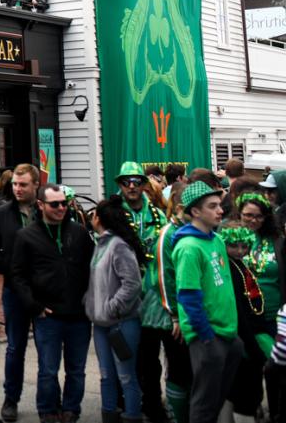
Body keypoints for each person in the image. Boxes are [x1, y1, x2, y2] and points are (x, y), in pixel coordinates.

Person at [11, 184, 94, 423]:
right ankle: (47, 410)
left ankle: (71, 410)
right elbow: (18, 275)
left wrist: (90, 300)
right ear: (40, 205)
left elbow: (92, 267)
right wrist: (33, 305)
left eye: (63, 203)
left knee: (76, 370)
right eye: (54, 204)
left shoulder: (78, 232)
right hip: (48, 315)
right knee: (48, 369)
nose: (61, 208)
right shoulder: (26, 236)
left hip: (78, 314)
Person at [172, 181, 242, 423]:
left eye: (219, 205)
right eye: (212, 206)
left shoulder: (216, 240)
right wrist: (206, 337)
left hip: (227, 333)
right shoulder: (189, 247)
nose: (220, 211)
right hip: (208, 336)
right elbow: (188, 297)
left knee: (216, 400)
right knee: (204, 404)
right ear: (195, 212)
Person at [113, 161, 174, 423]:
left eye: (137, 181)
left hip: (153, 297)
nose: (131, 186)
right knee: (125, 352)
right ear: (120, 185)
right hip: (123, 295)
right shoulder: (113, 215)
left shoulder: (158, 216)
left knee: (151, 356)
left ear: (144, 184)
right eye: (126, 181)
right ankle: (122, 399)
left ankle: (153, 403)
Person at [0, 162, 40, 422]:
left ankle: (49, 398)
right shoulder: (3, 213)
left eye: (23, 185)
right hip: (14, 290)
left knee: (47, 347)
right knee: (15, 347)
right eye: (15, 185)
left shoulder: (47, 209)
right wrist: (3, 265)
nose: (17, 189)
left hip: (44, 290)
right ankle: (11, 398)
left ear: (35, 185)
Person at [86, 196, 146, 423]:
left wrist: (112, 308)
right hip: (101, 324)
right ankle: (109, 414)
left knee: (126, 375)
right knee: (106, 375)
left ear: (98, 218)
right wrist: (90, 303)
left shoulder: (119, 246)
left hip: (122, 324)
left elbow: (132, 283)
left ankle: (132, 415)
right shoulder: (101, 244)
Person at [215, 222, 275, 423]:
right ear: (225, 244)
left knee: (236, 391)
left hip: (250, 337)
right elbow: (239, 313)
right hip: (244, 341)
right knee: (244, 394)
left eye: (244, 246)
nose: (240, 251)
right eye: (234, 246)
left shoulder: (240, 265)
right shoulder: (230, 269)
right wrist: (253, 347)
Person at [151, 182, 194, 423]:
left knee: (189, 368)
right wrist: (174, 315)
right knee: (178, 367)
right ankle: (177, 414)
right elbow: (164, 277)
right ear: (180, 207)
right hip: (176, 316)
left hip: (195, 314)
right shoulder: (168, 233)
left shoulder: (199, 231)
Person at [238, 193, 282, 315]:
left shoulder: (278, 241)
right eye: (248, 215)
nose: (253, 220)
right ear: (239, 214)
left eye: (259, 216)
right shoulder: (230, 239)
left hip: (274, 313)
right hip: (242, 314)